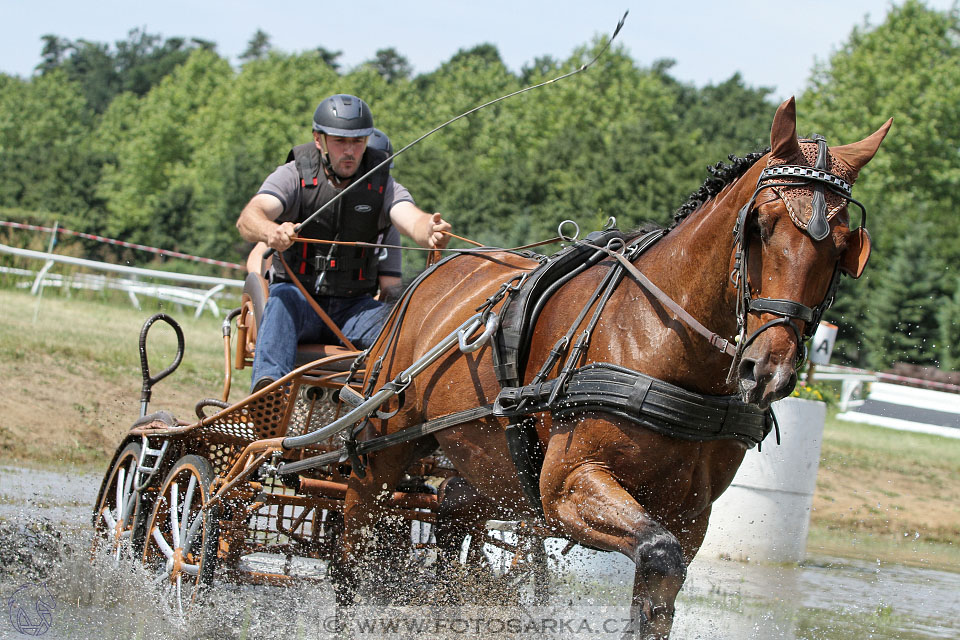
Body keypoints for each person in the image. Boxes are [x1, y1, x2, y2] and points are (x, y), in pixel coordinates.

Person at [237, 94, 451, 391]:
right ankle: (269, 395)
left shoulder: (383, 183)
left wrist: (428, 229)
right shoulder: (293, 175)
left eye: (358, 142)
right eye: (340, 141)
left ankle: (395, 409)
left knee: (402, 327)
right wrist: (270, 230)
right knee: (281, 301)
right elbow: (250, 217)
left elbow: (409, 217)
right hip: (299, 300)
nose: (350, 151)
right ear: (318, 140)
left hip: (355, 308)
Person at [244, 128, 405, 302]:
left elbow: (391, 287)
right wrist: (267, 297)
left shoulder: (384, 223)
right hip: (295, 299)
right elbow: (258, 258)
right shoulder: (303, 202)